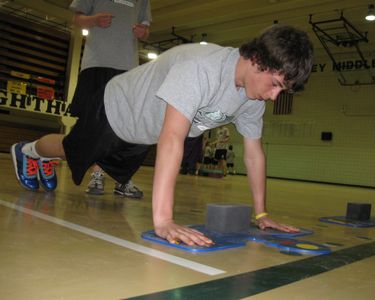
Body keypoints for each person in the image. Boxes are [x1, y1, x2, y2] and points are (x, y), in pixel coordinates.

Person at [11, 24, 314, 246]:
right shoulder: (200, 68)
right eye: (275, 84)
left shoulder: (252, 98)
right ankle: (29, 151)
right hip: (116, 109)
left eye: (281, 90)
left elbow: (253, 154)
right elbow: (173, 139)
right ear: (259, 61)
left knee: (103, 165)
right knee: (69, 149)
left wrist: (261, 215)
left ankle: (42, 154)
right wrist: (164, 221)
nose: (274, 97)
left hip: (143, 133)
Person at [69, 0, 152, 197]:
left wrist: (143, 33)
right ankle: (97, 174)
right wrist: (93, 20)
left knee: (128, 125)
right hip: (97, 64)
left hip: (128, 69)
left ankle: (122, 178)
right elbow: (77, 19)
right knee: (94, 124)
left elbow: (146, 29)